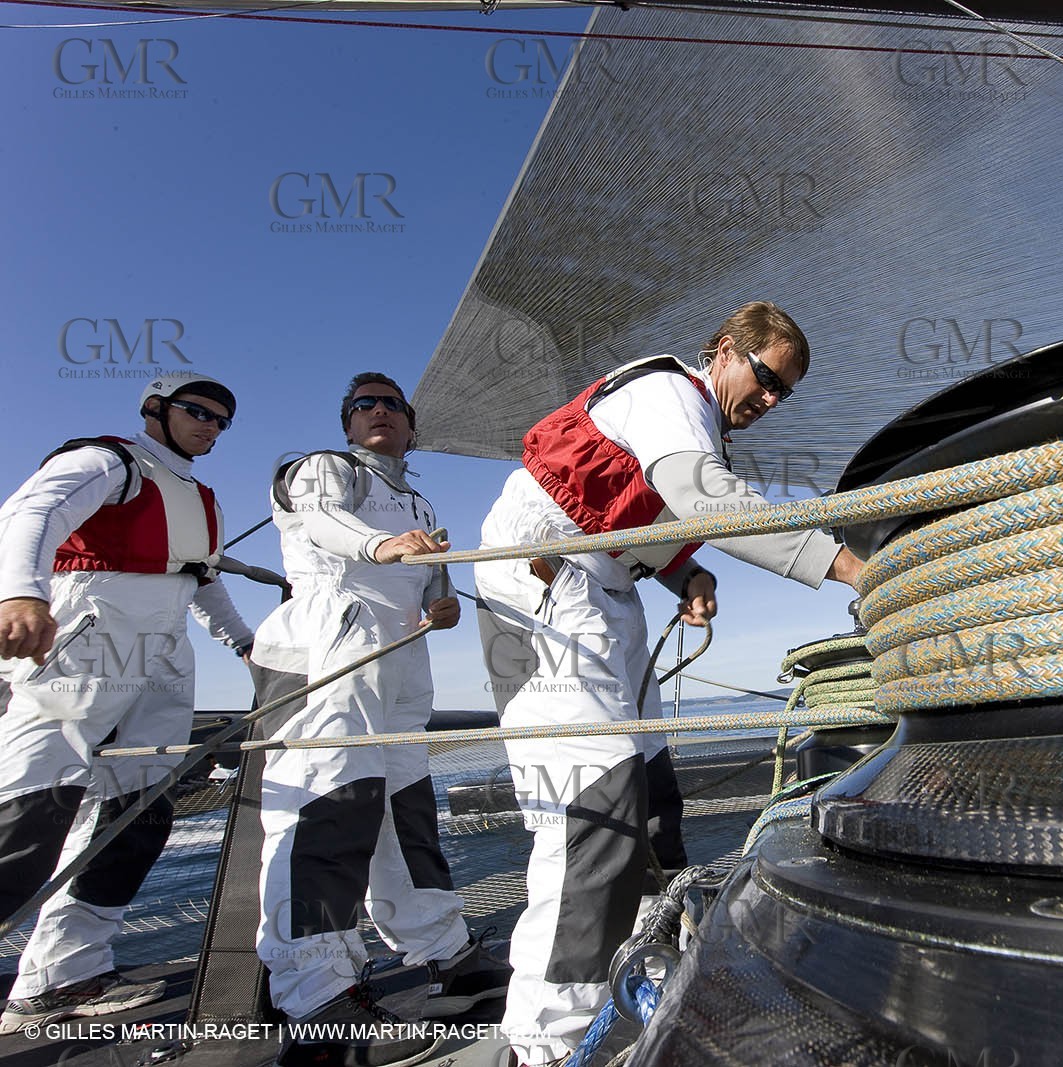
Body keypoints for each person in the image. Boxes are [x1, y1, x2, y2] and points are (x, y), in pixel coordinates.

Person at [474, 301, 864, 1066]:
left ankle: (639, 961)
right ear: (723, 350)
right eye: (766, 379)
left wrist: (683, 569)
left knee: (651, 795)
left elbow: (634, 517)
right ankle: (546, 1042)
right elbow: (703, 497)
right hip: (547, 586)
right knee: (593, 812)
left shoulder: (690, 421)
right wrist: (850, 566)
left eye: (785, 393)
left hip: (602, 598)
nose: (771, 402)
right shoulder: (669, 396)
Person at [249, 373, 510, 1067]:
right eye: (363, 403)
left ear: (411, 424)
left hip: (398, 655)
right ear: (346, 422)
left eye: (391, 403)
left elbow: (433, 576)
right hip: (324, 648)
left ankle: (445, 950)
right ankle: (314, 998)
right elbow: (330, 525)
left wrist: (442, 598)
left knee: (402, 810)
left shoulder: (418, 499)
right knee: (326, 809)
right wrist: (382, 548)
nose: (378, 411)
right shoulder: (322, 470)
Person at [0, 372, 255, 1032]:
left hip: (164, 651)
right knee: (31, 806)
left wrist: (248, 645)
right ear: (155, 410)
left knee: (138, 811)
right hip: (87, 634)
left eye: (221, 420)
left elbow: (204, 582)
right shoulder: (110, 459)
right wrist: (20, 594)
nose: (210, 425)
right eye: (197, 411)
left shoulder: (202, 498)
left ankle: (64, 972)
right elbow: (31, 511)